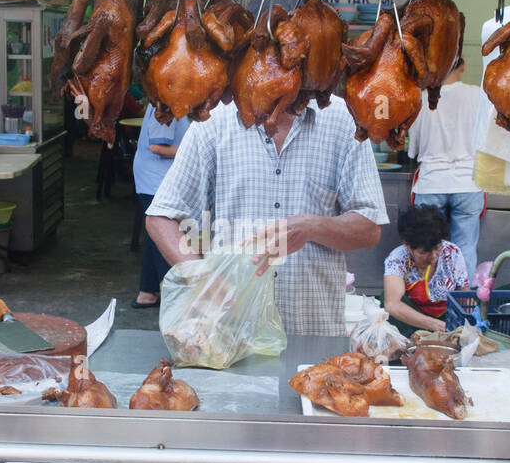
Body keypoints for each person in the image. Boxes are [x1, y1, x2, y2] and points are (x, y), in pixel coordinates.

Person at [145, 99, 386, 337]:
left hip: (312, 328)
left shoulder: (343, 119)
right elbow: (161, 216)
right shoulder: (214, 121)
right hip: (232, 332)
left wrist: (313, 227)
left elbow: (369, 229)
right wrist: (201, 279)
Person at [406, 58, 488, 275]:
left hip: (431, 182)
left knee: (427, 247)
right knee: (465, 248)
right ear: (463, 67)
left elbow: (412, 150)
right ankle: (462, 302)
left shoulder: (422, 99)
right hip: (469, 182)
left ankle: (430, 301)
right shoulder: (478, 95)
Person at [131, 104, 190, 309]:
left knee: (155, 236)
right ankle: (176, 302)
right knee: (167, 237)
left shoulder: (167, 99)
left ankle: (146, 294)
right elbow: (158, 147)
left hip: (154, 179)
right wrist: (196, 148)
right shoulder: (168, 103)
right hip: (157, 181)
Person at [382, 205, 471, 334]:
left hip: (447, 317)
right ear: (407, 245)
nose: (434, 257)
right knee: (385, 298)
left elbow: (463, 292)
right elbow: (392, 304)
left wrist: (470, 320)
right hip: (413, 320)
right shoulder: (397, 259)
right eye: (425, 252)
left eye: (438, 247)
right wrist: (436, 325)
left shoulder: (452, 252)